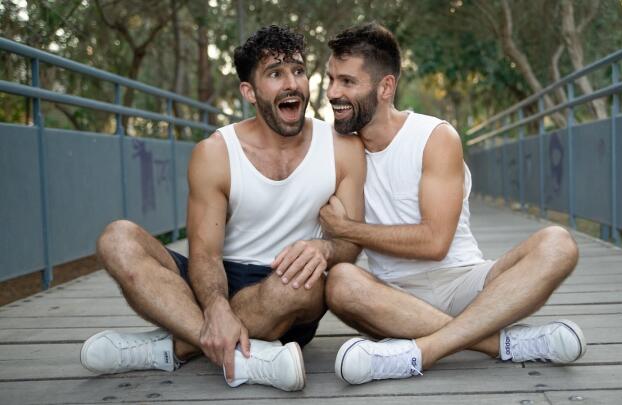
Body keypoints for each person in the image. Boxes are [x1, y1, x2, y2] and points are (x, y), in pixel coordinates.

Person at [80, 25, 365, 392]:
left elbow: (351, 243)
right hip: (217, 279)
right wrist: (215, 307)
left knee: (302, 287)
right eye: (275, 74)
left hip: (285, 287)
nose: (291, 83)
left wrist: (325, 248)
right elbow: (204, 255)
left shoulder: (342, 148)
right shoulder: (215, 152)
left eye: (297, 70)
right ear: (249, 91)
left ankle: (171, 348)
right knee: (116, 238)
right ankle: (250, 357)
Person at [319, 23, 586, 385]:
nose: (333, 92)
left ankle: (421, 353)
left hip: (465, 283)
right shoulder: (334, 148)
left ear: (385, 87)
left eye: (347, 82)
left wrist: (347, 229)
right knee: (340, 283)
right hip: (393, 299)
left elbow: (435, 242)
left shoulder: (434, 136)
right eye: (331, 79)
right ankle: (501, 344)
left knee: (559, 244)